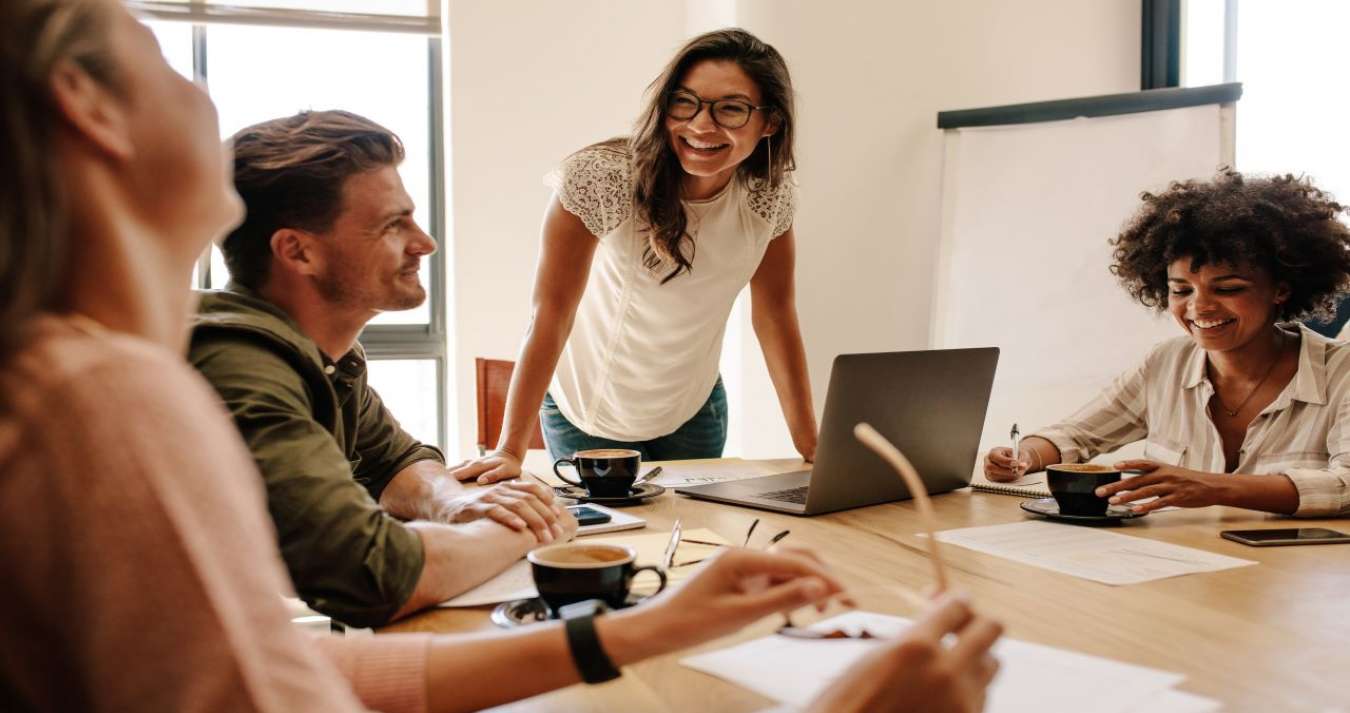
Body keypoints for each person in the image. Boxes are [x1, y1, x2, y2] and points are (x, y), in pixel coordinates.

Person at [0, 2, 1003, 711]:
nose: (428, 243)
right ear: (86, 102)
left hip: (677, 417)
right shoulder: (112, 394)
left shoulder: (245, 362)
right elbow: (364, 584)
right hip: (586, 417)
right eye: (159, 53)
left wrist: (644, 628)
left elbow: (288, 675)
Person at [188, 110, 572, 628]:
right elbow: (370, 575)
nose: (425, 243)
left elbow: (391, 461)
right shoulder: (241, 368)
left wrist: (455, 504)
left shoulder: (326, 355)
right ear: (297, 252)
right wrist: (528, 530)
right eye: (394, 225)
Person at [453, 29, 817, 485]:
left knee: (693, 542)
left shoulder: (769, 196)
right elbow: (552, 313)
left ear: (770, 123)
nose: (702, 125)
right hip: (589, 413)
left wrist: (810, 444)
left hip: (693, 409)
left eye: (731, 108)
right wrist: (510, 449)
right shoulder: (602, 179)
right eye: (685, 102)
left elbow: (775, 314)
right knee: (606, 539)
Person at [984, 170, 1350, 517]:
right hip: (1185, 565)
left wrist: (1216, 487)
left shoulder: (1340, 371)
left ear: (1281, 289)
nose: (1199, 306)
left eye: (1228, 289)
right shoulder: (1166, 363)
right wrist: (1024, 456)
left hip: (1297, 576)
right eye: (1181, 290)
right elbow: (1076, 435)